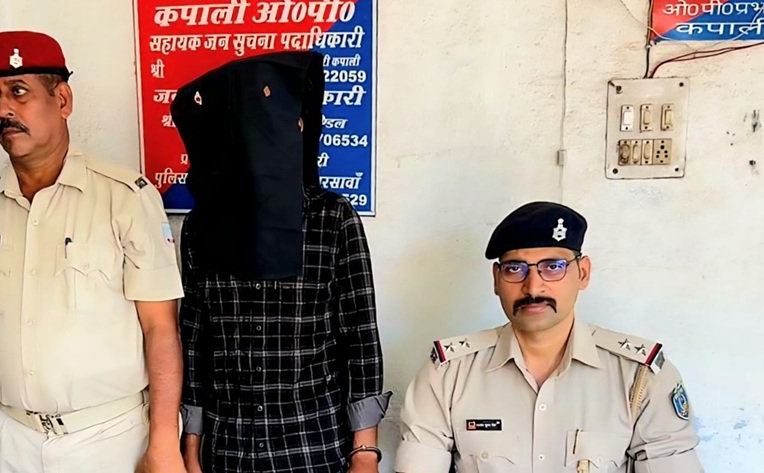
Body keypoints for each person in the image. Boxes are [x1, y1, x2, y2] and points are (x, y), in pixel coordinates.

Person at [0, 30, 185, 473]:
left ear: (63, 100)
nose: (3, 109)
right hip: (12, 437)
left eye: (19, 92)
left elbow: (160, 329)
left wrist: (164, 443)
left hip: (109, 437)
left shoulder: (124, 198)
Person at [171, 51, 391, 473]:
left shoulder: (332, 218)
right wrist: (190, 447)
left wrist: (365, 452)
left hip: (313, 447)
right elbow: (195, 340)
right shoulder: (201, 227)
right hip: (229, 451)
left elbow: (360, 336)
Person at [395, 201, 703, 473]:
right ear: (496, 279)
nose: (533, 287)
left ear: (583, 273)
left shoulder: (639, 377)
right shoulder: (448, 373)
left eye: (553, 267)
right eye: (515, 269)